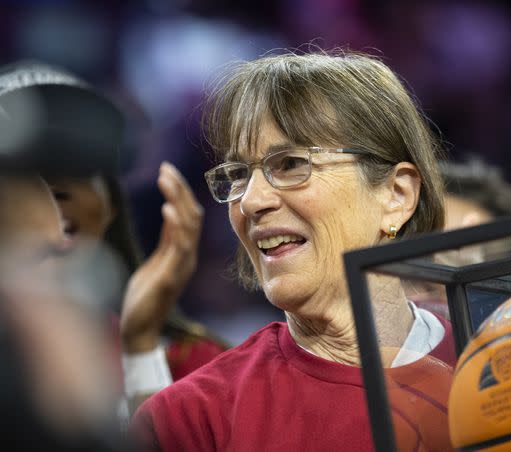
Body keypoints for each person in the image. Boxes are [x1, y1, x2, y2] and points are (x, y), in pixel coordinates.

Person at [131, 50, 455, 451]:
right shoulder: (192, 420)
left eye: (289, 165)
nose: (250, 201)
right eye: (238, 175)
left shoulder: (507, 361)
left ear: (396, 194)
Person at [0, 61, 228, 413]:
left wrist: (141, 352)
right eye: (25, 180)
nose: (50, 199)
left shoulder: (196, 367)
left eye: (75, 171)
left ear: (112, 203)